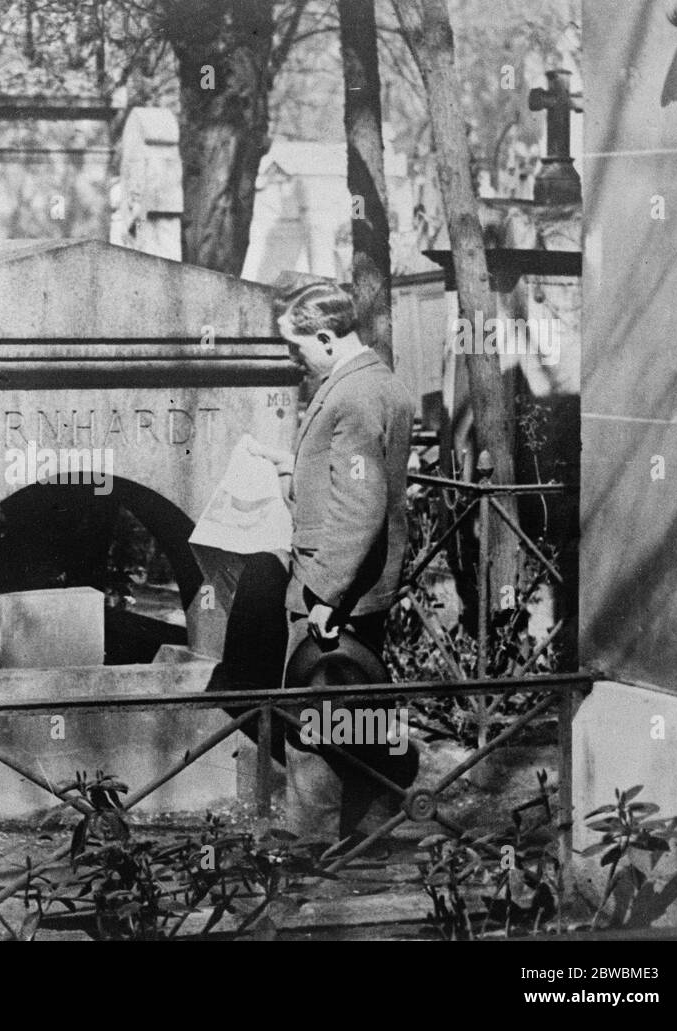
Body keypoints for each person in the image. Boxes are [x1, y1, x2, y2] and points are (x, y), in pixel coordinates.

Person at [251, 281, 416, 845]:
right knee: (356, 712)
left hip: (334, 588)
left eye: (297, 348)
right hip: (357, 586)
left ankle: (315, 850)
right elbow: (353, 481)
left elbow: (360, 508)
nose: (294, 360)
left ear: (325, 338)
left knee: (313, 721)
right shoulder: (375, 382)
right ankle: (367, 836)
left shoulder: (353, 396)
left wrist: (325, 595)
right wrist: (293, 467)